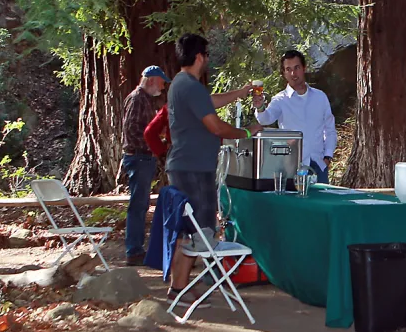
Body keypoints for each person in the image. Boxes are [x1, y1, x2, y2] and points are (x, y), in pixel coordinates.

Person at [166, 34, 252, 297]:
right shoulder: (189, 86)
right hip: (193, 169)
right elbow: (214, 126)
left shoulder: (183, 84)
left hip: (188, 165)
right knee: (201, 230)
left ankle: (177, 288)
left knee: (189, 229)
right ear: (200, 56)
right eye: (207, 55)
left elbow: (209, 101)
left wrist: (241, 93)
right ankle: (181, 288)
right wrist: (246, 133)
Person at [251, 49, 337, 182]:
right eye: (288, 69)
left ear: (304, 68)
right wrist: (260, 107)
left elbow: (330, 130)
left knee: (321, 203)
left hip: (318, 166)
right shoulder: (280, 100)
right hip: (291, 167)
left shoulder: (320, 97)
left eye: (296, 68)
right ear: (284, 73)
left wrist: (327, 157)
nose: (293, 73)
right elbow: (265, 119)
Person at [120, 65, 167, 266]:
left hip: (143, 158)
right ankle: (134, 251)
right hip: (139, 157)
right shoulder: (138, 98)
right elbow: (132, 129)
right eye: (161, 81)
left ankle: (136, 248)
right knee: (138, 206)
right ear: (151, 80)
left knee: (141, 204)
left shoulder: (145, 99)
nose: (163, 86)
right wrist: (154, 145)